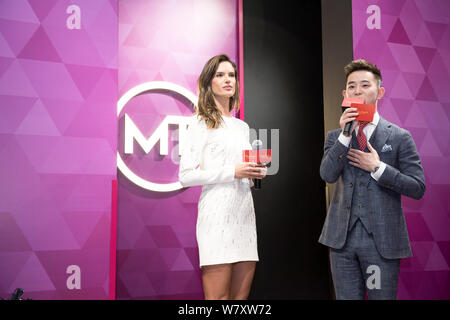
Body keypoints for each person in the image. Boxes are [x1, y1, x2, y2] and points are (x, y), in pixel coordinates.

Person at [319, 59, 426, 299]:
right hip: (341, 240)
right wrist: (345, 137)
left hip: (382, 241)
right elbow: (327, 174)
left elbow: (417, 187)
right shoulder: (335, 136)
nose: (358, 91)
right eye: (352, 86)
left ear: (380, 92)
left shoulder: (399, 136)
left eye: (365, 85)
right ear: (344, 93)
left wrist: (378, 168)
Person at [178, 54, 267, 300]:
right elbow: (185, 176)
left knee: (240, 301)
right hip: (216, 217)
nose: (228, 80)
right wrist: (232, 171)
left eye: (231, 75)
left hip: (244, 215)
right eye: (220, 75)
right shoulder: (199, 123)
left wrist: (255, 171)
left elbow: (244, 171)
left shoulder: (242, 127)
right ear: (208, 83)